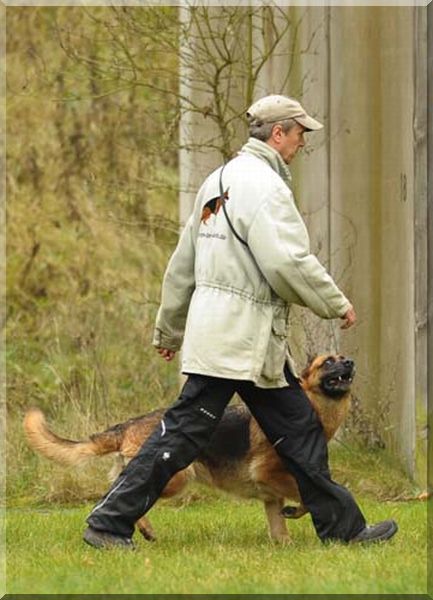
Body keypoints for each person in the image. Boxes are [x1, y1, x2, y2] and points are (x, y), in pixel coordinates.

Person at [83, 94, 398, 549]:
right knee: (183, 434)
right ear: (278, 133)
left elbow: (183, 262)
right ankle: (108, 523)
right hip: (240, 340)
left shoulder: (218, 180)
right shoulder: (267, 188)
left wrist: (170, 327)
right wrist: (334, 301)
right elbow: (287, 262)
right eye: (300, 133)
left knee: (299, 428)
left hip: (235, 340)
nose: (303, 143)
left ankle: (344, 530)